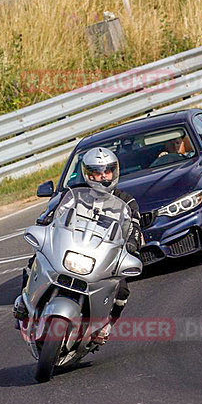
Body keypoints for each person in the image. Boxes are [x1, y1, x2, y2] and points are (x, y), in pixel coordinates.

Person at [13, 147, 142, 345]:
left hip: (102, 254)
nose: (103, 177)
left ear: (115, 171)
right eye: (97, 172)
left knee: (121, 288)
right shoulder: (74, 194)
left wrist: (132, 243)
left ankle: (105, 325)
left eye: (107, 171)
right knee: (36, 260)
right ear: (88, 174)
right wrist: (45, 222)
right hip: (72, 247)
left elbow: (134, 225)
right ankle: (23, 300)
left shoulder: (126, 201)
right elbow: (54, 214)